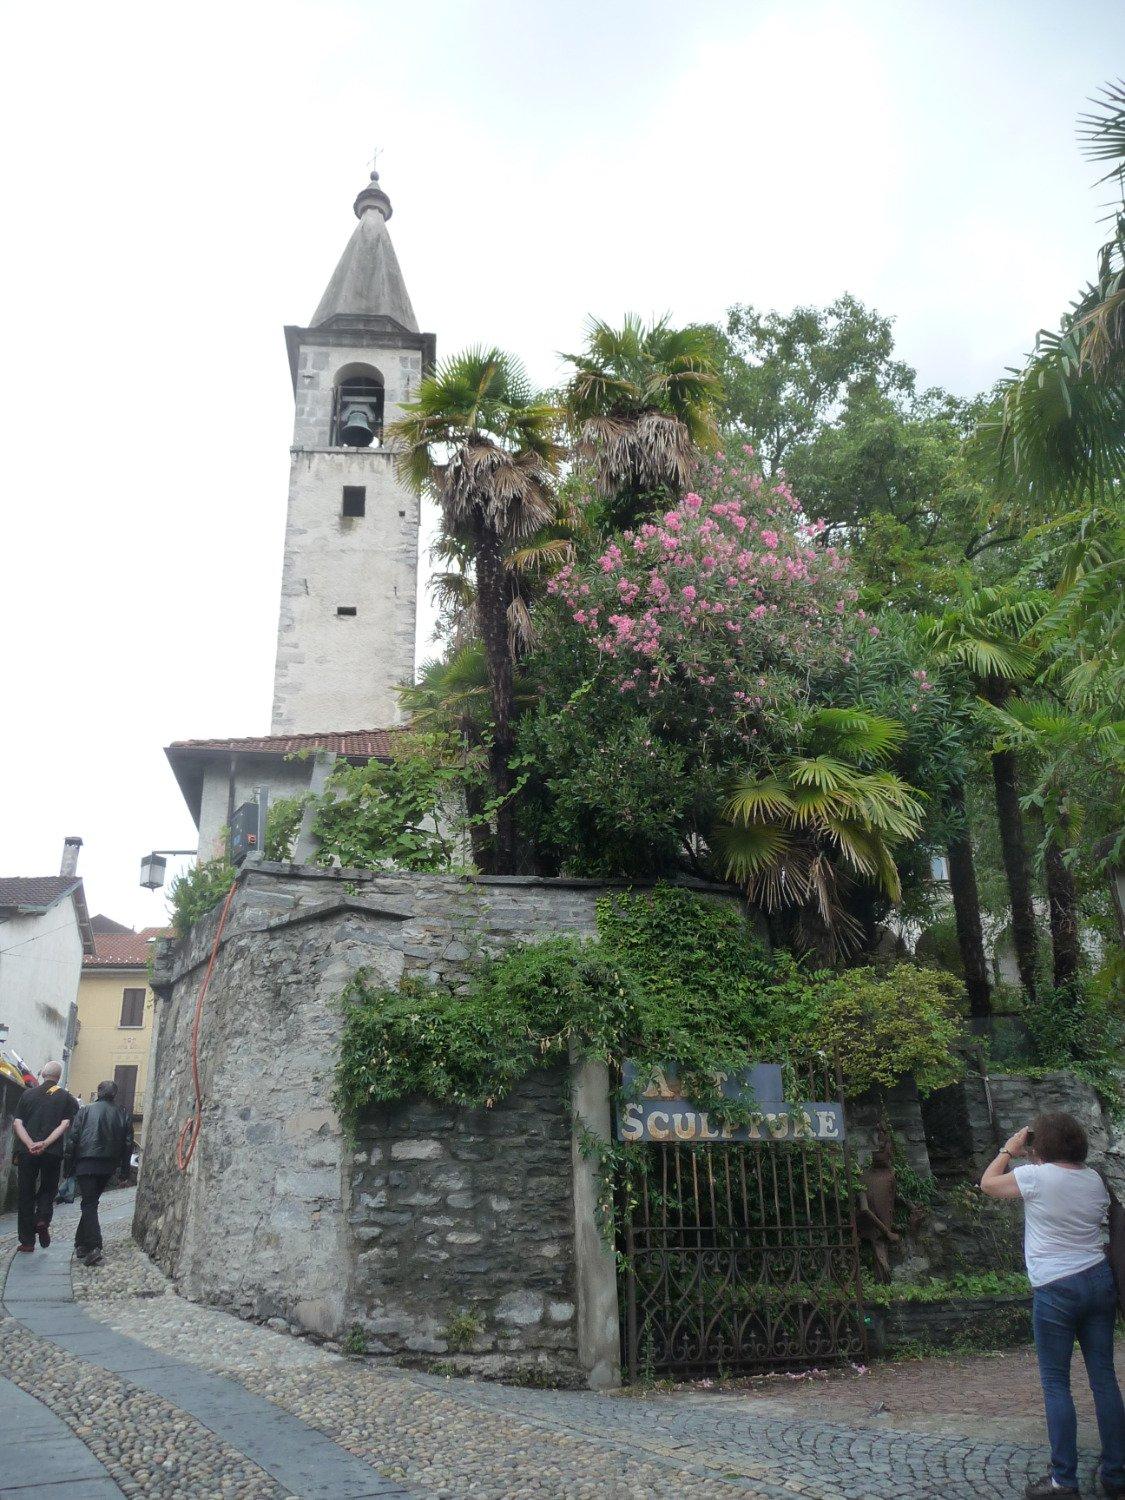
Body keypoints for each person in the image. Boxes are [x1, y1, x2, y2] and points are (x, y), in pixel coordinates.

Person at [981, 1111, 1125, 1500]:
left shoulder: (1036, 1177)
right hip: (1098, 1281)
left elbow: (988, 1184)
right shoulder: (1095, 1179)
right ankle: (1117, 1474)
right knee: (1104, 1378)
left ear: (1039, 1145)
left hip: (1055, 1288)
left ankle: (1064, 1480)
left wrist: (1009, 1149)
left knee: (1056, 1383)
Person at [64, 1079, 134, 1266]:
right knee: (91, 1202)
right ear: (115, 1094)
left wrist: (68, 1167)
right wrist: (124, 1172)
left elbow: (73, 1139)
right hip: (108, 1166)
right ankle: (81, 1244)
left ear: (98, 1092)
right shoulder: (122, 1113)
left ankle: (94, 1246)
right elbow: (128, 1144)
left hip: (86, 1162)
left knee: (89, 1204)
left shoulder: (85, 1110)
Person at [12, 1061, 79, 1252]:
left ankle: (26, 1241)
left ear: (42, 1074)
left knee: (25, 1192)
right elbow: (65, 1124)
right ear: (58, 1077)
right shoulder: (65, 1097)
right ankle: (42, 1218)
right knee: (48, 1189)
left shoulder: (27, 1094)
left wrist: (30, 1144)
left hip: (27, 1152)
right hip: (51, 1152)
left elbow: (18, 1123)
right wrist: (46, 1143)